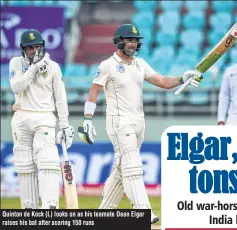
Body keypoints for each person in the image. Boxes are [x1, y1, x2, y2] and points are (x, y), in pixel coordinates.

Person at [78, 24, 202, 223]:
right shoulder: (107, 65)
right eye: (129, 40)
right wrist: (87, 119)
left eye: (136, 41)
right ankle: (143, 211)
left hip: (138, 122)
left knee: (122, 168)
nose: (133, 44)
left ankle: (104, 211)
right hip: (119, 122)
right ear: (119, 41)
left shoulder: (140, 64)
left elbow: (162, 81)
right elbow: (94, 92)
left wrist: (182, 78)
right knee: (133, 167)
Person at [9, 29, 74, 209]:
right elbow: (16, 87)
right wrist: (34, 68)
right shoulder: (16, 63)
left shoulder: (53, 67)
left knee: (48, 162)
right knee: (24, 165)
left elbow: (60, 97)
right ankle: (29, 208)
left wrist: (65, 125)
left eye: (37, 46)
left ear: (42, 46)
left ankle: (50, 206)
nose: (34, 50)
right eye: (30, 47)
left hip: (44, 117)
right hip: (21, 117)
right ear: (23, 49)